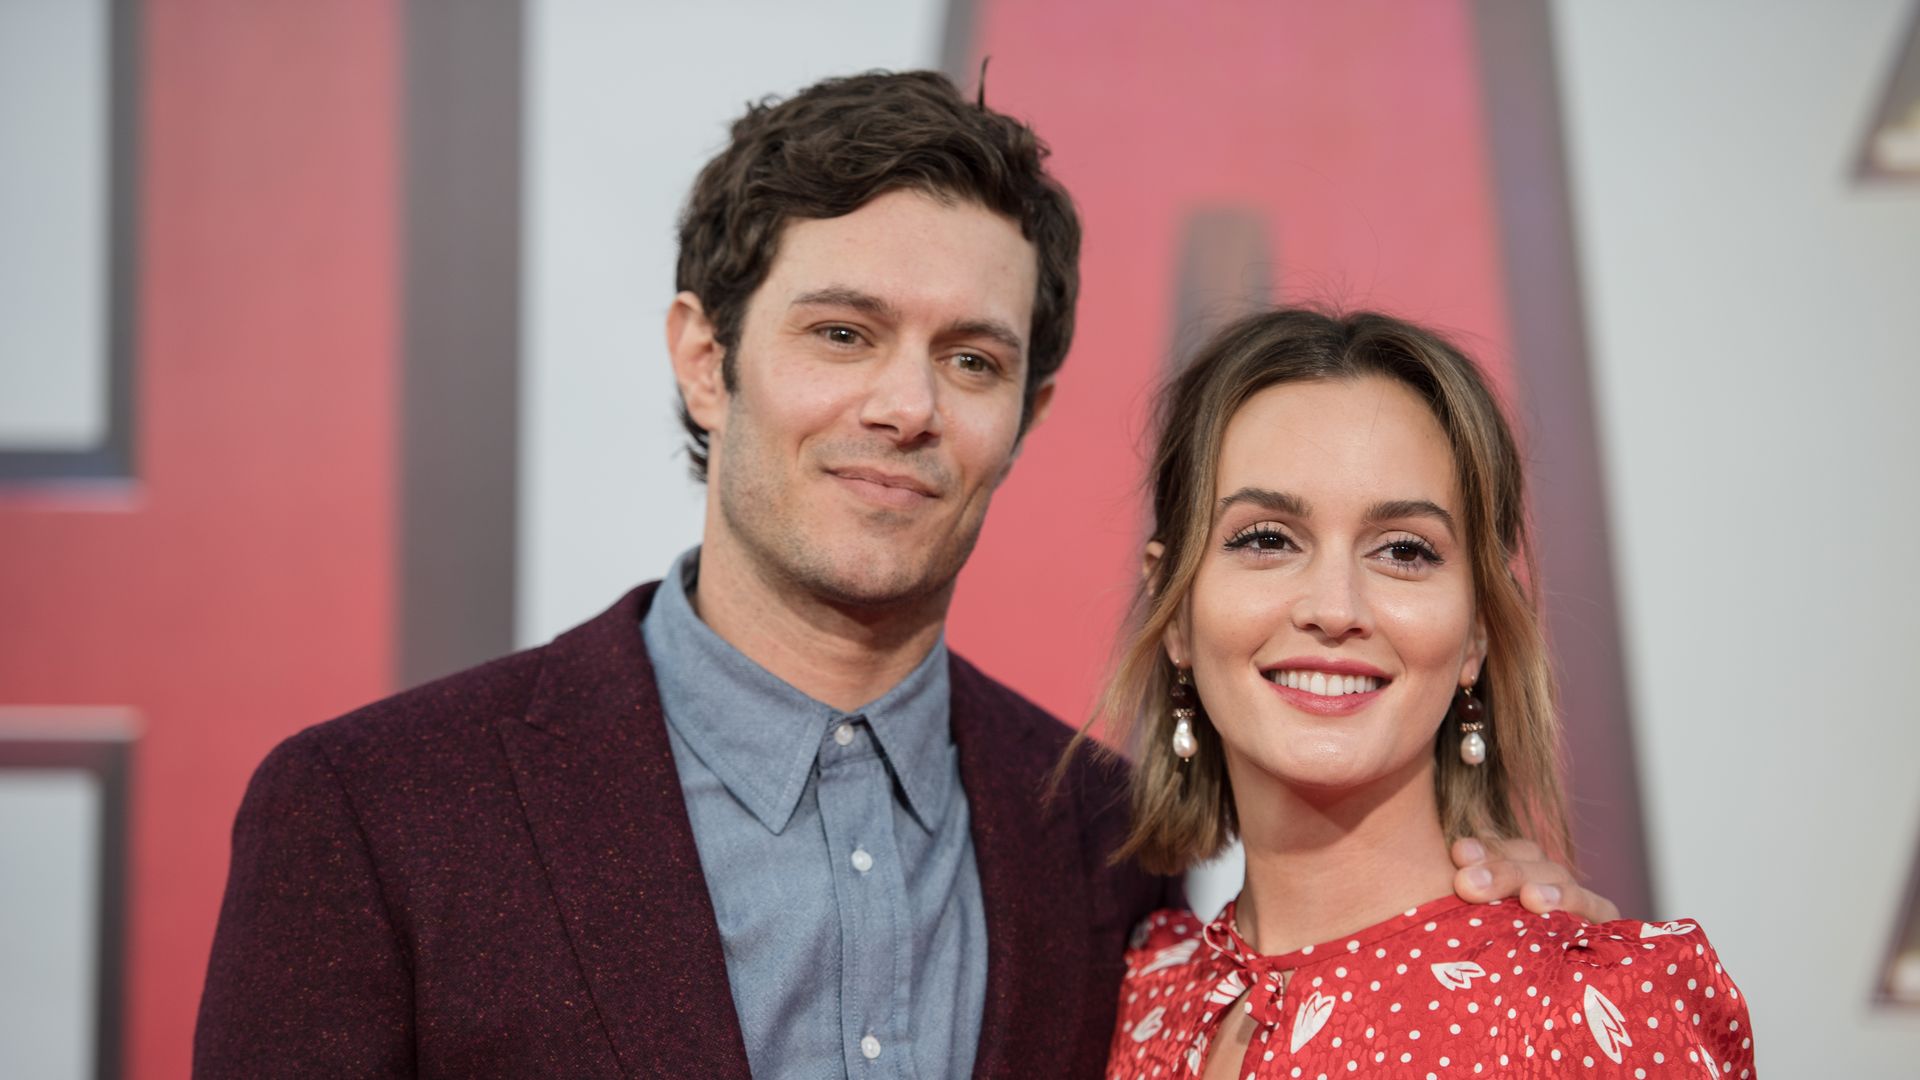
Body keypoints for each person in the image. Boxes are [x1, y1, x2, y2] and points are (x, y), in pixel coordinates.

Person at [193, 74, 1610, 1079]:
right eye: (843, 334)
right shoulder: (378, 815)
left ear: (1028, 416)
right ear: (705, 357)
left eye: (973, 360)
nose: (906, 407)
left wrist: (1530, 955)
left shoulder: (1109, 846)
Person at [1099, 308, 1753, 1079]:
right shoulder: (1140, 989)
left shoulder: (1588, 1016)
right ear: (1173, 609)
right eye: (1267, 539)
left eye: (1405, 551)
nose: (1335, 607)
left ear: (1477, 629)